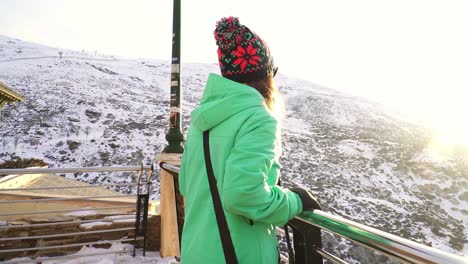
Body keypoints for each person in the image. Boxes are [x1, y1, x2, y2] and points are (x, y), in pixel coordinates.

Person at [178, 16, 320, 264]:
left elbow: (185, 184)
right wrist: (295, 200)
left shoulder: (201, 121)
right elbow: (243, 194)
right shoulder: (259, 119)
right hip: (240, 255)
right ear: (266, 75)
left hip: (196, 253)